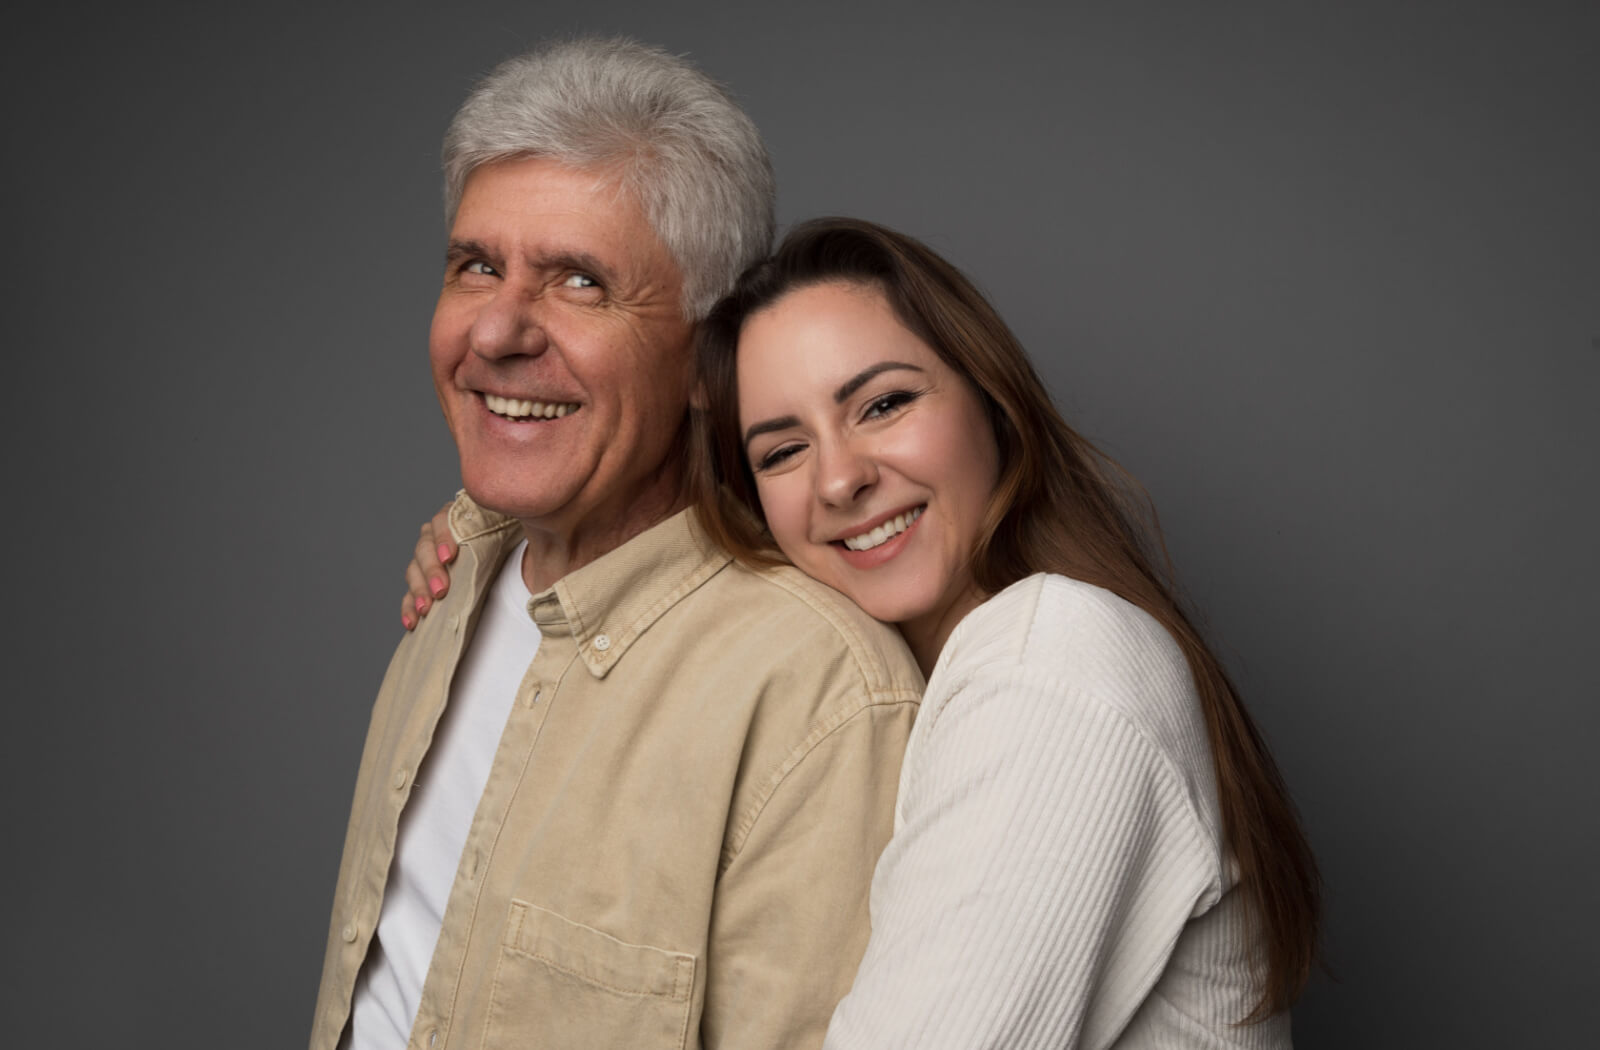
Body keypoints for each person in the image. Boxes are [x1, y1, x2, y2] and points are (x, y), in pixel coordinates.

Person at [406, 218, 1321, 1047]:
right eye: (782, 450)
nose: (839, 480)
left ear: (991, 404)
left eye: (883, 404)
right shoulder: (948, 675)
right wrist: (485, 526)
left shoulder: (1048, 660)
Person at [311, 44, 923, 1050]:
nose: (499, 330)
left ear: (706, 358)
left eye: (581, 282)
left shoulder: (817, 695)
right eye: (476, 266)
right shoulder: (457, 573)